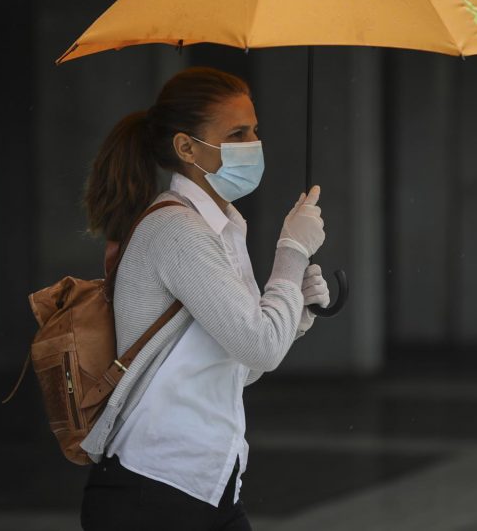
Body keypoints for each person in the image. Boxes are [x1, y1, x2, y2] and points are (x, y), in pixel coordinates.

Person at [79, 66, 331, 531]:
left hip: (205, 484)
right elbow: (259, 346)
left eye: (255, 130)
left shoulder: (224, 227)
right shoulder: (177, 230)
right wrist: (291, 252)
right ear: (186, 147)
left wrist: (295, 314)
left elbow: (242, 364)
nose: (253, 143)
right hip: (154, 489)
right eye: (237, 133)